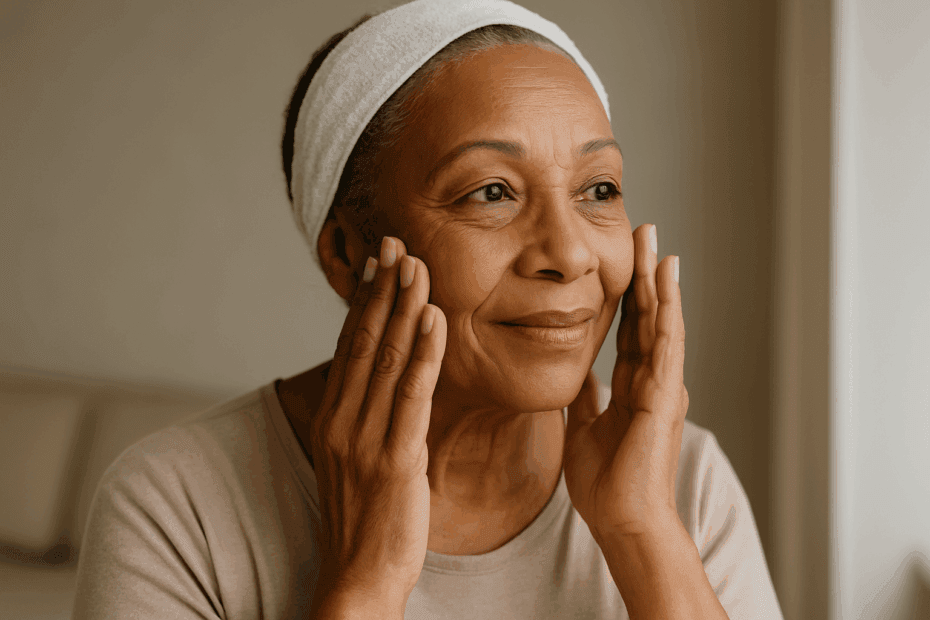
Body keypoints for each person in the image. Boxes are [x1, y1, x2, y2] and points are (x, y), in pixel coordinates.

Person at [72, 0, 784, 618]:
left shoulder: (681, 478)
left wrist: (644, 535)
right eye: (491, 193)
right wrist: (365, 583)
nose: (570, 254)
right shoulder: (176, 506)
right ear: (350, 255)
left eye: (598, 189)